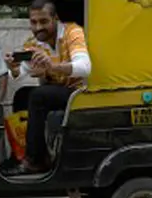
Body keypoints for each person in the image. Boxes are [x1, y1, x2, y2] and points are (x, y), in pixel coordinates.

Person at [5, 0, 91, 174]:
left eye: (43, 22)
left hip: (81, 93)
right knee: (23, 95)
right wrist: (14, 69)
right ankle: (23, 154)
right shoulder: (33, 44)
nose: (38, 28)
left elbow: (84, 67)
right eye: (33, 22)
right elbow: (22, 73)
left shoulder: (72, 32)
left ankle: (34, 160)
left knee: (39, 95)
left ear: (55, 19)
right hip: (58, 91)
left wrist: (52, 67)